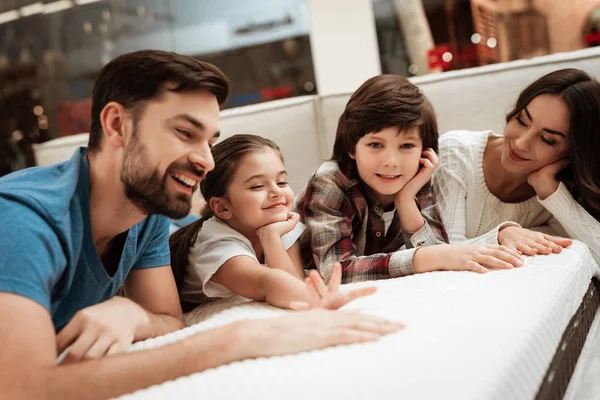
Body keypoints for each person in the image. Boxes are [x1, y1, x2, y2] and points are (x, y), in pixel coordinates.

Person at [0, 50, 402, 400]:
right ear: (117, 125)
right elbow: (23, 389)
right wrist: (237, 340)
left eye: (209, 141)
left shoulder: (148, 211)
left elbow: (169, 321)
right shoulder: (22, 220)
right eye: (184, 133)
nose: (207, 161)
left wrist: (131, 313)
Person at [296, 74, 523, 283]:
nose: (391, 161)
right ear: (352, 148)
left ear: (424, 150)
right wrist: (422, 258)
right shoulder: (330, 182)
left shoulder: (416, 177)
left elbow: (438, 254)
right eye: (376, 145)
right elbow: (336, 272)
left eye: (406, 146)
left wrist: (405, 200)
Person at [170, 134, 376, 312]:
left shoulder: (278, 224)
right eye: (257, 186)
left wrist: (273, 238)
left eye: (281, 182)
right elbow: (270, 283)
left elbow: (293, 284)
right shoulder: (217, 245)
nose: (277, 192)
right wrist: (270, 238)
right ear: (223, 207)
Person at [433, 68, 599, 264]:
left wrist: (551, 193)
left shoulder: (553, 194)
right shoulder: (456, 152)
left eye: (547, 139)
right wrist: (502, 234)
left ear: (573, 153)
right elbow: (441, 251)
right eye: (522, 120)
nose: (521, 143)